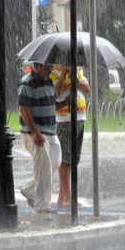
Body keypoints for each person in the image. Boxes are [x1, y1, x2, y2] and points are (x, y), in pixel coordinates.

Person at [17, 61, 61, 213]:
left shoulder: (49, 81)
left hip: (50, 131)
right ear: (38, 66)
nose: (51, 70)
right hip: (35, 132)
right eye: (48, 67)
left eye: (51, 67)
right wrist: (35, 132)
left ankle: (29, 190)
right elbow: (23, 110)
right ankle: (43, 205)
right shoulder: (27, 83)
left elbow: (53, 101)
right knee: (44, 166)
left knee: (55, 161)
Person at [51, 64, 90, 208]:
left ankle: (62, 196)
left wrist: (74, 78)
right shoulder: (53, 72)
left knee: (73, 159)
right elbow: (55, 93)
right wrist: (63, 75)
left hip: (79, 117)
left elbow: (87, 89)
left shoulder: (78, 70)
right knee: (65, 159)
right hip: (64, 119)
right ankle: (67, 197)